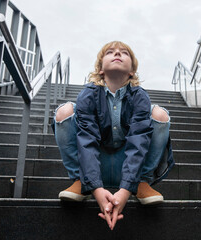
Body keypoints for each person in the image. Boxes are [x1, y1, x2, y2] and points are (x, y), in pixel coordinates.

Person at [53, 41, 174, 230]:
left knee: (159, 114)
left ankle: (142, 182)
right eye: (110, 52)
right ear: (101, 69)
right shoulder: (88, 94)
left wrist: (126, 190)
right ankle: (79, 180)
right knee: (65, 111)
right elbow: (86, 141)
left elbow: (138, 141)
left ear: (132, 71)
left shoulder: (140, 96)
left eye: (124, 53)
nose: (117, 53)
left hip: (129, 166)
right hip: (93, 165)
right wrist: (95, 188)